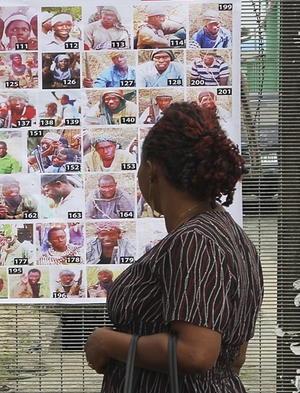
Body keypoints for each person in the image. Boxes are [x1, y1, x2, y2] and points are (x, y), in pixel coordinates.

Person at [85, 102, 262, 392]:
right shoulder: (233, 236)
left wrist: (106, 342)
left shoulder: (195, 240)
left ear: (151, 171)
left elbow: (196, 352)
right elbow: (235, 356)